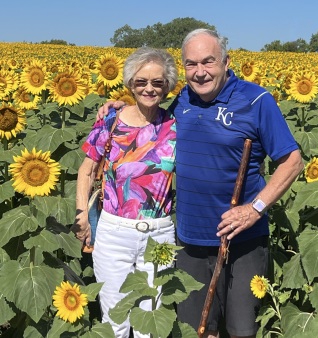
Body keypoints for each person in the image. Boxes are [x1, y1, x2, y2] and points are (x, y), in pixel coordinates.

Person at [98, 29, 303, 338]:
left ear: (226, 61)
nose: (200, 72)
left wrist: (255, 209)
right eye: (191, 64)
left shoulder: (256, 100)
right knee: (196, 329)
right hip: (189, 241)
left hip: (242, 239)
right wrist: (116, 107)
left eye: (208, 61)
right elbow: (145, 110)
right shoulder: (181, 100)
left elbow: (293, 161)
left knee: (241, 329)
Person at [74, 48, 178, 338]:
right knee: (115, 318)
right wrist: (82, 215)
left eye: (158, 83)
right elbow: (86, 170)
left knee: (151, 319)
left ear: (167, 87)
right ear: (130, 83)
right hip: (114, 233)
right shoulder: (110, 120)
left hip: (160, 233)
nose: (149, 88)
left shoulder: (175, 125)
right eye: (141, 81)